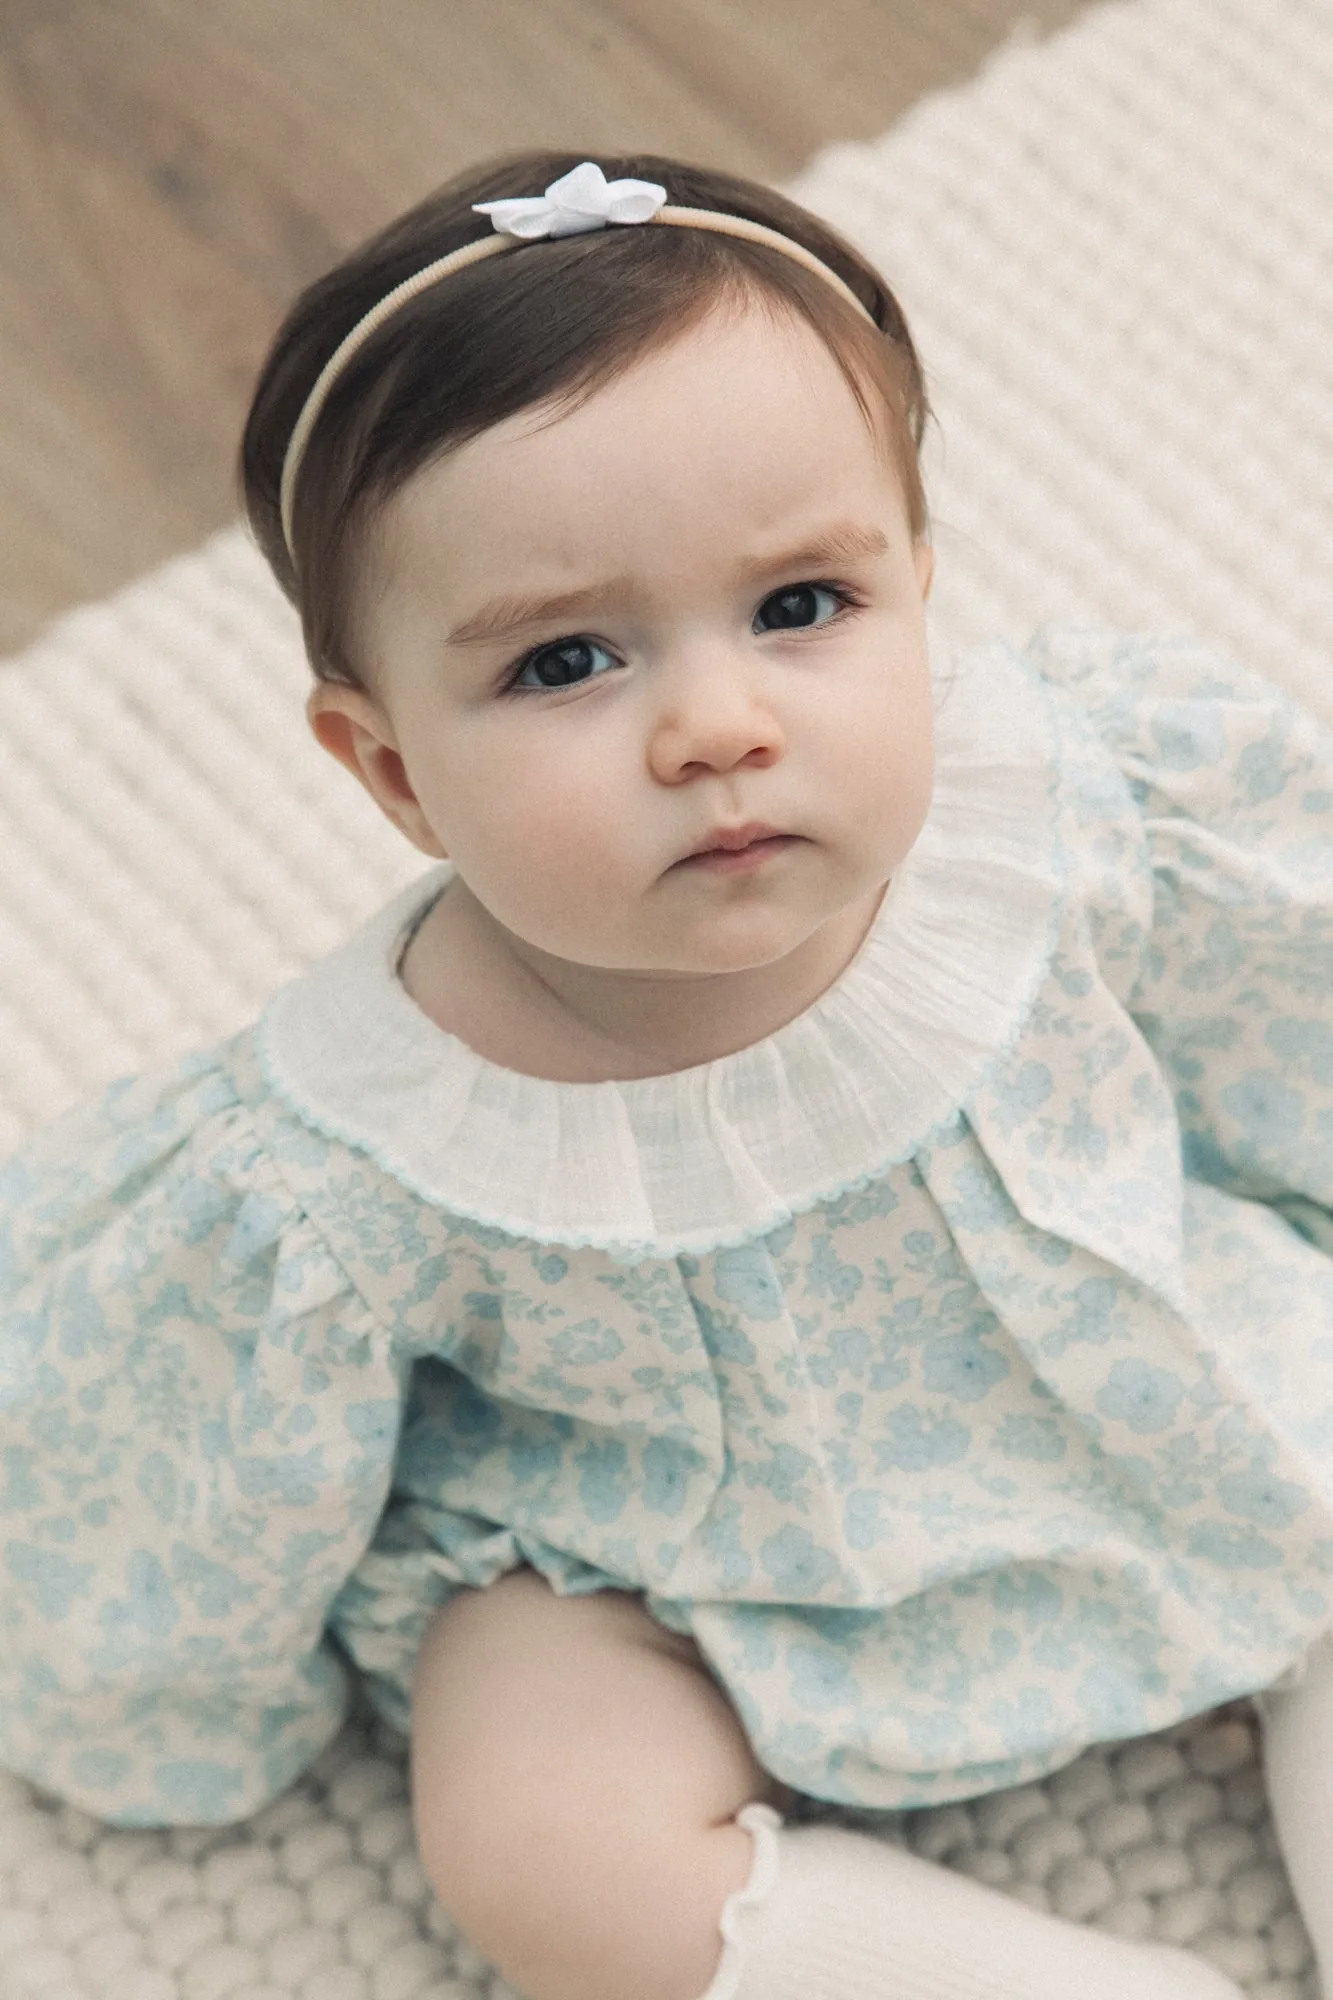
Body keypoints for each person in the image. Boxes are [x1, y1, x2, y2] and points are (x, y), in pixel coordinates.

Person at [2, 147, 1331, 2000]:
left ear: (920, 592)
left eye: (803, 608)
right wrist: (155, 1691)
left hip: (1139, 1356)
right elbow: (174, 1438)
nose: (719, 726)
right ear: (388, 770)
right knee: (533, 1836)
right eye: (566, 660)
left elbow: (1287, 996)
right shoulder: (356, 1139)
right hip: (643, 1540)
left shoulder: (1061, 821)